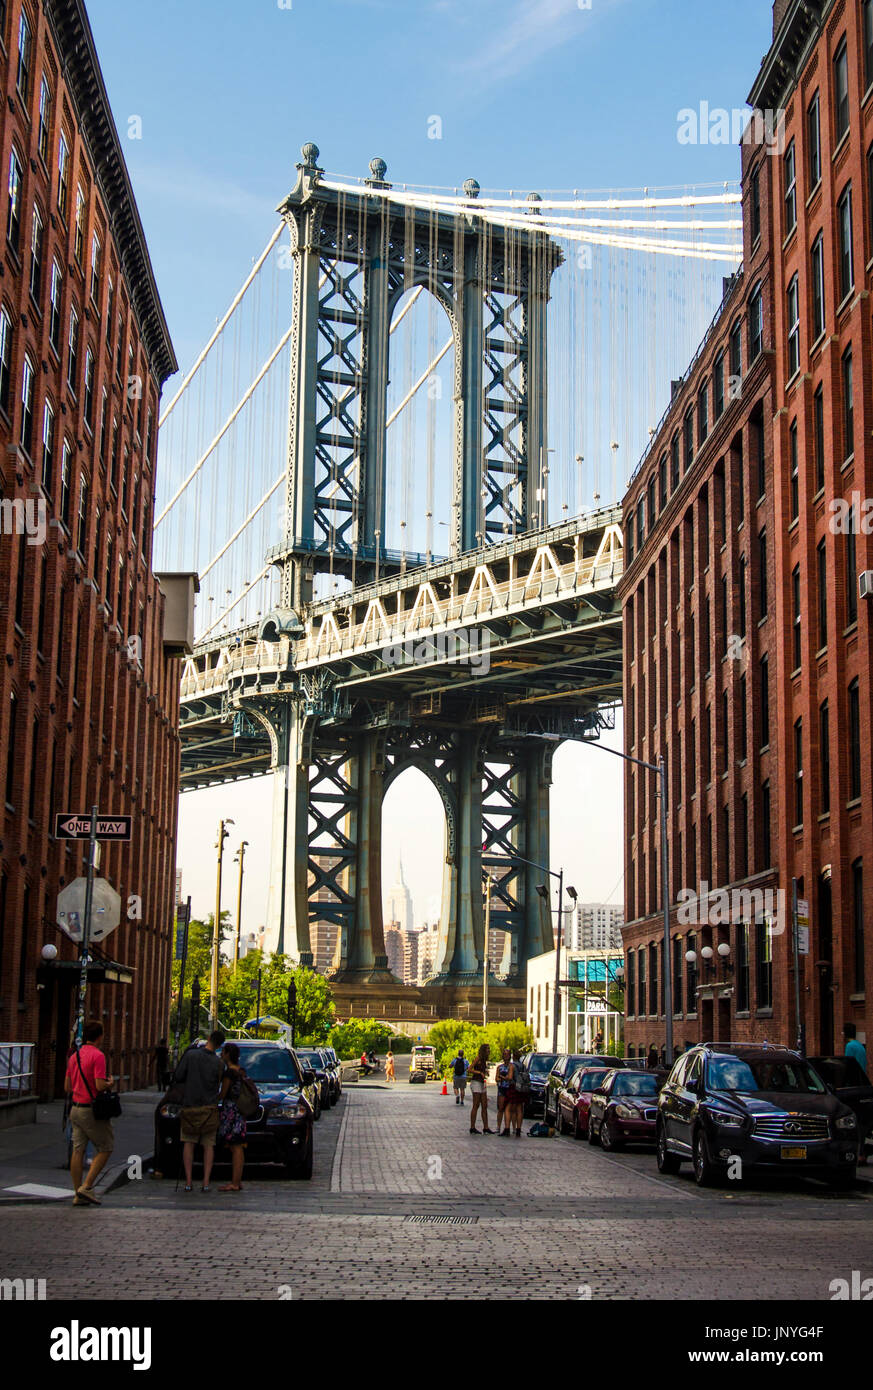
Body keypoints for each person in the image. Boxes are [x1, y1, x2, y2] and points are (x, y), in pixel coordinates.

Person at [64, 1020, 116, 1206]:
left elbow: (67, 1086)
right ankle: (86, 1186)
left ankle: (78, 1193)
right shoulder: (98, 1056)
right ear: (99, 1036)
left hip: (75, 1109)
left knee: (78, 1150)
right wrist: (110, 1083)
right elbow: (99, 1085)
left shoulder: (74, 1057)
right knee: (106, 1146)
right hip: (90, 1110)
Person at [174, 1030, 225, 1192]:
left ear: (208, 1039)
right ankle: (206, 1182)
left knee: (189, 1143)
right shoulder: (219, 1063)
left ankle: (188, 1182)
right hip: (209, 1109)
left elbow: (179, 1076)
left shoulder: (191, 1055)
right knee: (208, 1145)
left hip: (190, 1106)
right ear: (220, 1045)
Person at [217, 1042, 247, 1193]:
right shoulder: (241, 1071)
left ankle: (234, 1182)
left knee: (235, 1147)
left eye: (223, 1052)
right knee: (238, 1146)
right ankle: (238, 1180)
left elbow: (223, 1094)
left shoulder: (229, 1073)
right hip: (240, 1111)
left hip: (231, 1110)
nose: (221, 1055)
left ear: (228, 1054)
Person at [468, 1044, 492, 1134]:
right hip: (476, 1082)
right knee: (476, 1104)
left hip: (482, 1083)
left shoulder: (484, 1060)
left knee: (484, 1105)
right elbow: (469, 1069)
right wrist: (479, 1072)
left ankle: (486, 1127)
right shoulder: (478, 1058)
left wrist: (485, 1072)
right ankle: (472, 1127)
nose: (489, 1051)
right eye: (487, 1049)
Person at [507, 1048, 524, 1137]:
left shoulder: (512, 1066)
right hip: (521, 1088)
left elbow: (510, 1077)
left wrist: (504, 1077)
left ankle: (513, 1127)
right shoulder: (523, 1065)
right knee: (519, 1109)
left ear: (513, 1057)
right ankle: (519, 1128)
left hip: (513, 1087)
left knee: (512, 1108)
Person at [496, 1049, 513, 1135]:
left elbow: (510, 1078)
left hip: (509, 1089)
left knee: (508, 1109)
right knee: (500, 1108)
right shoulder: (499, 1067)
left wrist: (502, 1077)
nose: (506, 1056)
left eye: (507, 1054)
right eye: (504, 1054)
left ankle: (507, 1127)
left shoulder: (511, 1066)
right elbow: (497, 1078)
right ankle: (498, 1127)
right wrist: (503, 1078)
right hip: (501, 1088)